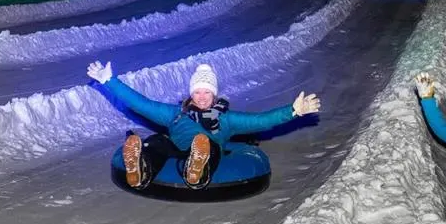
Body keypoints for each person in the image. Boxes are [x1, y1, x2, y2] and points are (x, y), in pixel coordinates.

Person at [87, 61, 321, 190]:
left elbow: (261, 120)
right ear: (191, 93)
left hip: (204, 150)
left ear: (214, 94)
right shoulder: (176, 113)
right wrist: (109, 81)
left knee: (208, 147)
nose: (201, 97)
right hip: (176, 147)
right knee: (157, 142)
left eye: (206, 92)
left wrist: (293, 111)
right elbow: (141, 104)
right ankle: (140, 168)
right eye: (197, 92)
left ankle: (196, 171)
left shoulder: (227, 119)